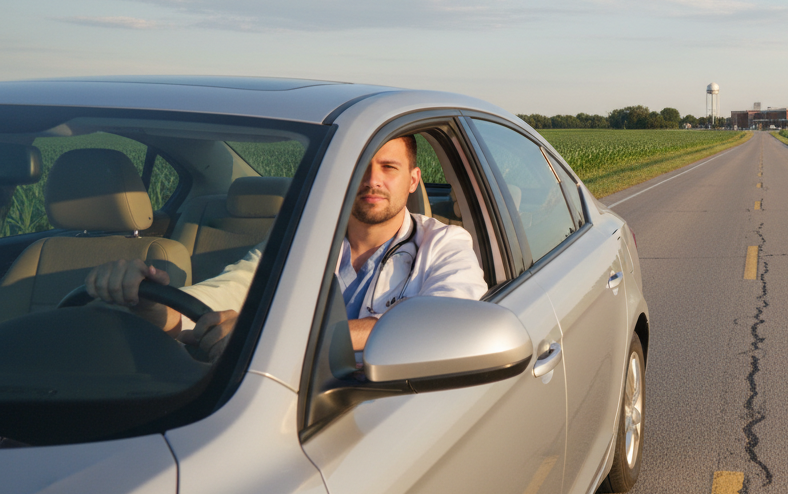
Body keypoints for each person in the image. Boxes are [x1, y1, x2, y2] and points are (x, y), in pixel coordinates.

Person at [85, 135, 488, 360]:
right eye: (359, 168)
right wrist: (156, 308)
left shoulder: (445, 244)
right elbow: (224, 295)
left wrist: (282, 337)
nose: (372, 181)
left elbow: (445, 323)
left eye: (388, 167)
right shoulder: (299, 242)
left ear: (414, 180)